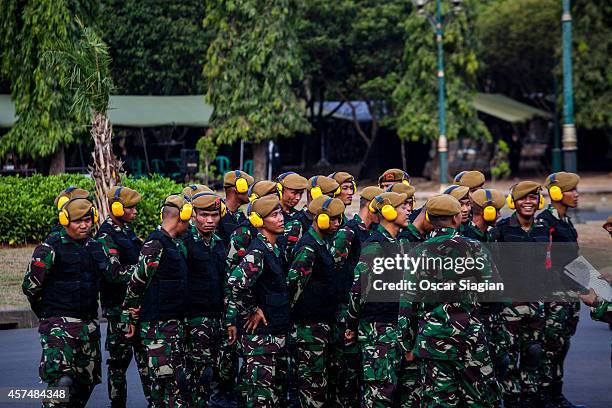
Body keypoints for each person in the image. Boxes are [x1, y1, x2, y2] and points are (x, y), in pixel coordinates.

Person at [399, 194, 502, 407]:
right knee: (479, 400)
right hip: (470, 340)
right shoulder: (475, 248)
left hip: (433, 342)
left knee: (439, 401)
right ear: (456, 218)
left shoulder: (417, 253)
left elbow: (407, 303)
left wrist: (407, 343)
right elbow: (493, 292)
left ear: (428, 217)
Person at [23, 197, 110, 407]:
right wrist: (49, 314)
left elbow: (109, 278)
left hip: (88, 326)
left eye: (88, 220)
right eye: (78, 221)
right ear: (65, 220)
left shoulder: (95, 246)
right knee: (62, 382)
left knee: (84, 383)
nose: (84, 225)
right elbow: (30, 286)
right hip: (58, 326)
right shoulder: (50, 248)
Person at [122, 194, 192, 407]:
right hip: (157, 330)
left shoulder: (172, 244)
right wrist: (130, 316)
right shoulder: (155, 244)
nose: (189, 225)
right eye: (188, 220)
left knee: (171, 387)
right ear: (181, 217)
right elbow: (136, 282)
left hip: (171, 326)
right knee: (165, 388)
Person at [345, 192, 410, 407]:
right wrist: (351, 324)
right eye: (403, 207)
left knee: (391, 391)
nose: (408, 210)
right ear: (388, 212)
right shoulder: (375, 246)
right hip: (376, 330)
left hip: (393, 329)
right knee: (378, 395)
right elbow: (358, 290)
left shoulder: (397, 244)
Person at [226, 195, 290, 407]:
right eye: (274, 215)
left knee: (276, 397)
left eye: (280, 213)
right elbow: (236, 282)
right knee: (261, 399)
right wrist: (253, 309)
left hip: (275, 336)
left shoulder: (274, 248)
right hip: (262, 342)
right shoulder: (258, 252)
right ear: (259, 221)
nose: (280, 218)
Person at [490, 181, 550, 407]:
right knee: (507, 360)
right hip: (509, 309)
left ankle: (531, 399)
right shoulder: (502, 230)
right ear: (513, 202)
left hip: (536, 306)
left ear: (539, 201)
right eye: (523, 198)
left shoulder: (544, 229)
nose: (528, 202)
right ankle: (512, 400)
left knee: (533, 355)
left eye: (533, 198)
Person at [288, 195, 345, 407]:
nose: (337, 223)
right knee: (311, 388)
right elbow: (294, 284)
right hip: (309, 328)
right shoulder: (308, 247)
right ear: (319, 219)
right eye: (332, 219)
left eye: (339, 219)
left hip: (321, 325)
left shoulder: (321, 243)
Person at [96, 186, 150, 407]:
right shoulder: (106, 236)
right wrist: (143, 271)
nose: (135, 211)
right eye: (131, 207)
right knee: (118, 365)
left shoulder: (126, 232)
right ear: (116, 208)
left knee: (147, 363)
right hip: (119, 310)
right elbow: (113, 273)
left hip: (136, 308)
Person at [536, 172, 584, 408]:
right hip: (554, 297)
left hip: (569, 296)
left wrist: (596, 285)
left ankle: (557, 395)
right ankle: (546, 398)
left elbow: (574, 261)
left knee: (562, 347)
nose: (576, 195)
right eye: (571, 190)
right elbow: (546, 264)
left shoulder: (565, 222)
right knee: (550, 349)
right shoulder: (546, 223)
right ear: (556, 193)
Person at [181, 192, 226, 407]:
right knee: (197, 374)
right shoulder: (185, 242)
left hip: (216, 319)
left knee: (212, 374)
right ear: (193, 215)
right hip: (194, 320)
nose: (209, 220)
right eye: (204, 215)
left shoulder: (219, 243)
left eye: (214, 215)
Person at [218, 170, 255, 248]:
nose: (251, 192)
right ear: (238, 188)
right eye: (248, 187)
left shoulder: (240, 214)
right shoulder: (217, 214)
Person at [276, 171, 309, 258]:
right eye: (294, 193)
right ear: (280, 190)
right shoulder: (268, 215)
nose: (298, 198)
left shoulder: (300, 216)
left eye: (301, 193)